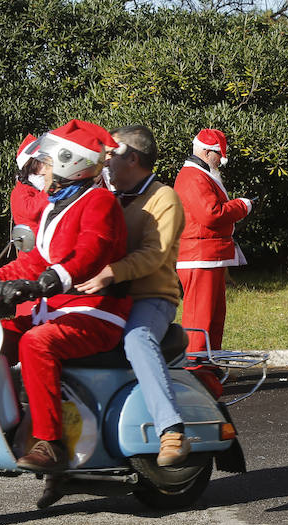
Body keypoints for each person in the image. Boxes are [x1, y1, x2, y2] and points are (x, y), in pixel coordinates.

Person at [0, 119, 131, 473]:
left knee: (36, 344)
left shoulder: (99, 202)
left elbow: (91, 252)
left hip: (94, 312)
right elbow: (37, 257)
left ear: (71, 162)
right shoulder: (61, 203)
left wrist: (52, 279)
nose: (41, 171)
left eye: (47, 164)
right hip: (58, 310)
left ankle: (50, 442)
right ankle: (9, 422)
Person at [75, 125, 190, 466]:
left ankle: (171, 431)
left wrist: (111, 272)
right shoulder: (102, 195)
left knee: (138, 339)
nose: (105, 160)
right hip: (109, 295)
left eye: (112, 154)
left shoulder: (163, 197)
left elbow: (154, 254)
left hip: (150, 297)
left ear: (134, 158)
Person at [174, 128, 253, 354]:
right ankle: (195, 370)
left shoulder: (198, 175)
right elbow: (211, 214)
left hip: (207, 256)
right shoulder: (193, 176)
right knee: (200, 320)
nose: (221, 162)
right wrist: (242, 205)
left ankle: (209, 365)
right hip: (200, 256)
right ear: (208, 152)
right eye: (220, 156)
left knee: (213, 317)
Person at [10, 134, 51, 234]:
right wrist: (49, 188)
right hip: (34, 246)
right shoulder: (20, 191)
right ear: (32, 164)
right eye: (42, 161)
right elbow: (31, 211)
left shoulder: (38, 185)